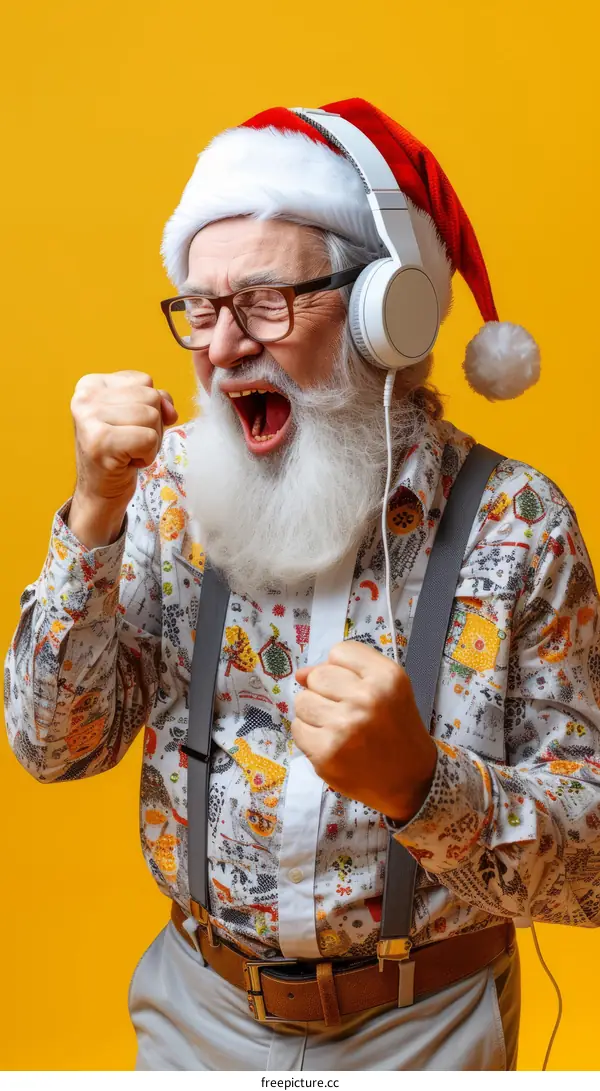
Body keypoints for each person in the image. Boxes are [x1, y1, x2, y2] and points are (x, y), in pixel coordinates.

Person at [5, 97, 600, 1073]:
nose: (222, 346)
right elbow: (50, 747)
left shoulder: (517, 523)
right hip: (198, 1011)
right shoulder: (163, 497)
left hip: (431, 1025)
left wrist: (425, 785)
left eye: (265, 301)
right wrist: (93, 515)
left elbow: (594, 865)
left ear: (385, 312)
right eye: (200, 306)